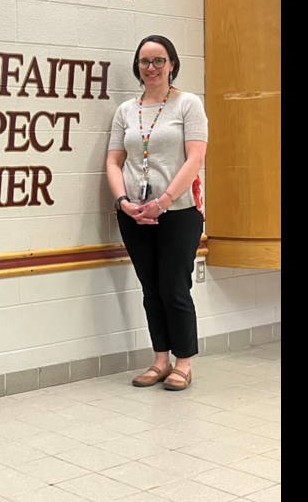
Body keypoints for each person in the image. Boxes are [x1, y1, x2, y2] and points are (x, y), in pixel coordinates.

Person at [106, 34, 207, 392]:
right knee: (151, 289)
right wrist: (123, 203)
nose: (151, 67)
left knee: (174, 287)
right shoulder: (126, 111)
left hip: (178, 212)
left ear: (172, 65)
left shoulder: (187, 105)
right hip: (134, 215)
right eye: (145, 61)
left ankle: (184, 363)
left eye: (159, 61)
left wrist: (162, 201)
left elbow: (195, 158)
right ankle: (160, 360)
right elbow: (114, 161)